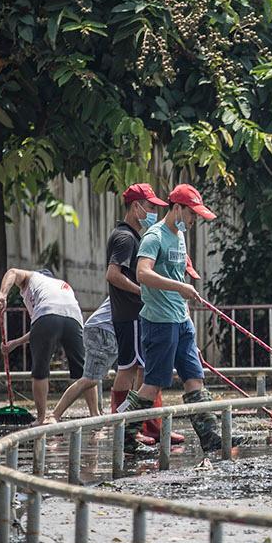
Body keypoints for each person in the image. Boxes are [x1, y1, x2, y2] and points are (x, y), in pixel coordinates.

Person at [118, 184, 225, 456]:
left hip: (180, 320)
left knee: (194, 377)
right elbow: (142, 274)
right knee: (153, 384)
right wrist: (180, 289)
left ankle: (211, 437)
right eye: (192, 214)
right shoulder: (154, 237)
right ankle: (125, 438)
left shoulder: (179, 237)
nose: (194, 220)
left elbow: (177, 276)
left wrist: (187, 318)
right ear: (177, 208)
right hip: (159, 322)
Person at [105, 183, 174, 447]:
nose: (154, 211)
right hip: (130, 313)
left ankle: (145, 426)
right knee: (131, 368)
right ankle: (125, 430)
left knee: (141, 367)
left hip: (132, 313)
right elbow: (113, 275)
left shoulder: (132, 236)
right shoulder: (125, 238)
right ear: (136, 206)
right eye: (150, 206)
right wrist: (143, 291)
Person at [0, 267, 86, 425]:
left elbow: (12, 272)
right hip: (74, 317)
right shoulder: (61, 285)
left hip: (47, 316)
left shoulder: (33, 279)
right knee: (85, 373)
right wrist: (15, 343)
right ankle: (95, 416)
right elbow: (44, 324)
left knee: (40, 371)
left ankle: (41, 418)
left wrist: (3, 295)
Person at [52, 296, 113, 420]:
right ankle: (54, 415)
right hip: (104, 330)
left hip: (104, 329)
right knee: (90, 379)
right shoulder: (140, 282)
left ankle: (96, 417)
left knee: (92, 378)